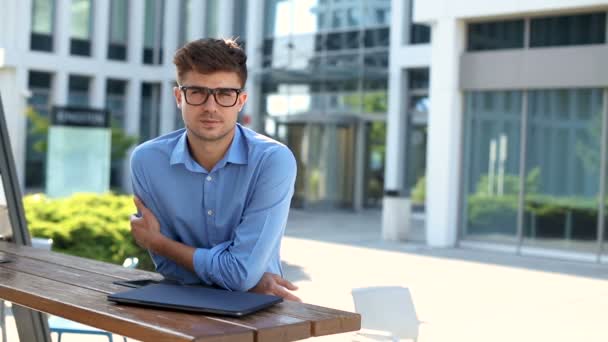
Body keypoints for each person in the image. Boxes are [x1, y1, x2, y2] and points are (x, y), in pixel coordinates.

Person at [129, 38, 300, 301]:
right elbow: (171, 269)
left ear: (241, 100)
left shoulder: (273, 161)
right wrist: (244, 280)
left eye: (224, 94)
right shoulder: (147, 161)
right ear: (179, 97)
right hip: (180, 310)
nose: (211, 107)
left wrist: (159, 243)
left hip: (257, 314)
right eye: (197, 92)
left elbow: (241, 273)